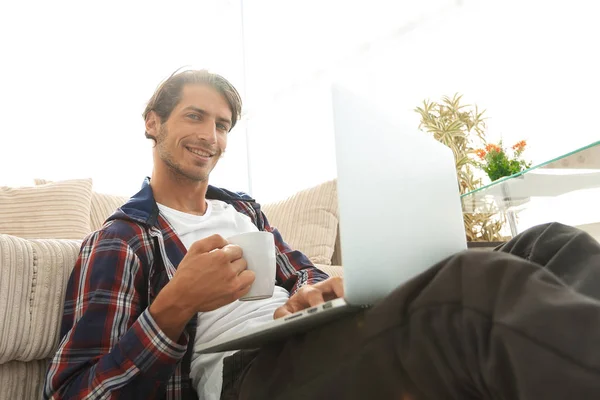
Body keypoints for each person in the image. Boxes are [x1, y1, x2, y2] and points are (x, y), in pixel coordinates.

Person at [44, 70, 600, 400]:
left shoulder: (244, 210)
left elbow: (303, 274)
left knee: (549, 241)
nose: (209, 136)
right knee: (477, 286)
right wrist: (173, 306)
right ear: (153, 122)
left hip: (315, 337)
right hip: (249, 376)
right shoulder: (121, 238)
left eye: (221, 125)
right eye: (194, 117)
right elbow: (74, 390)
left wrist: (317, 291)